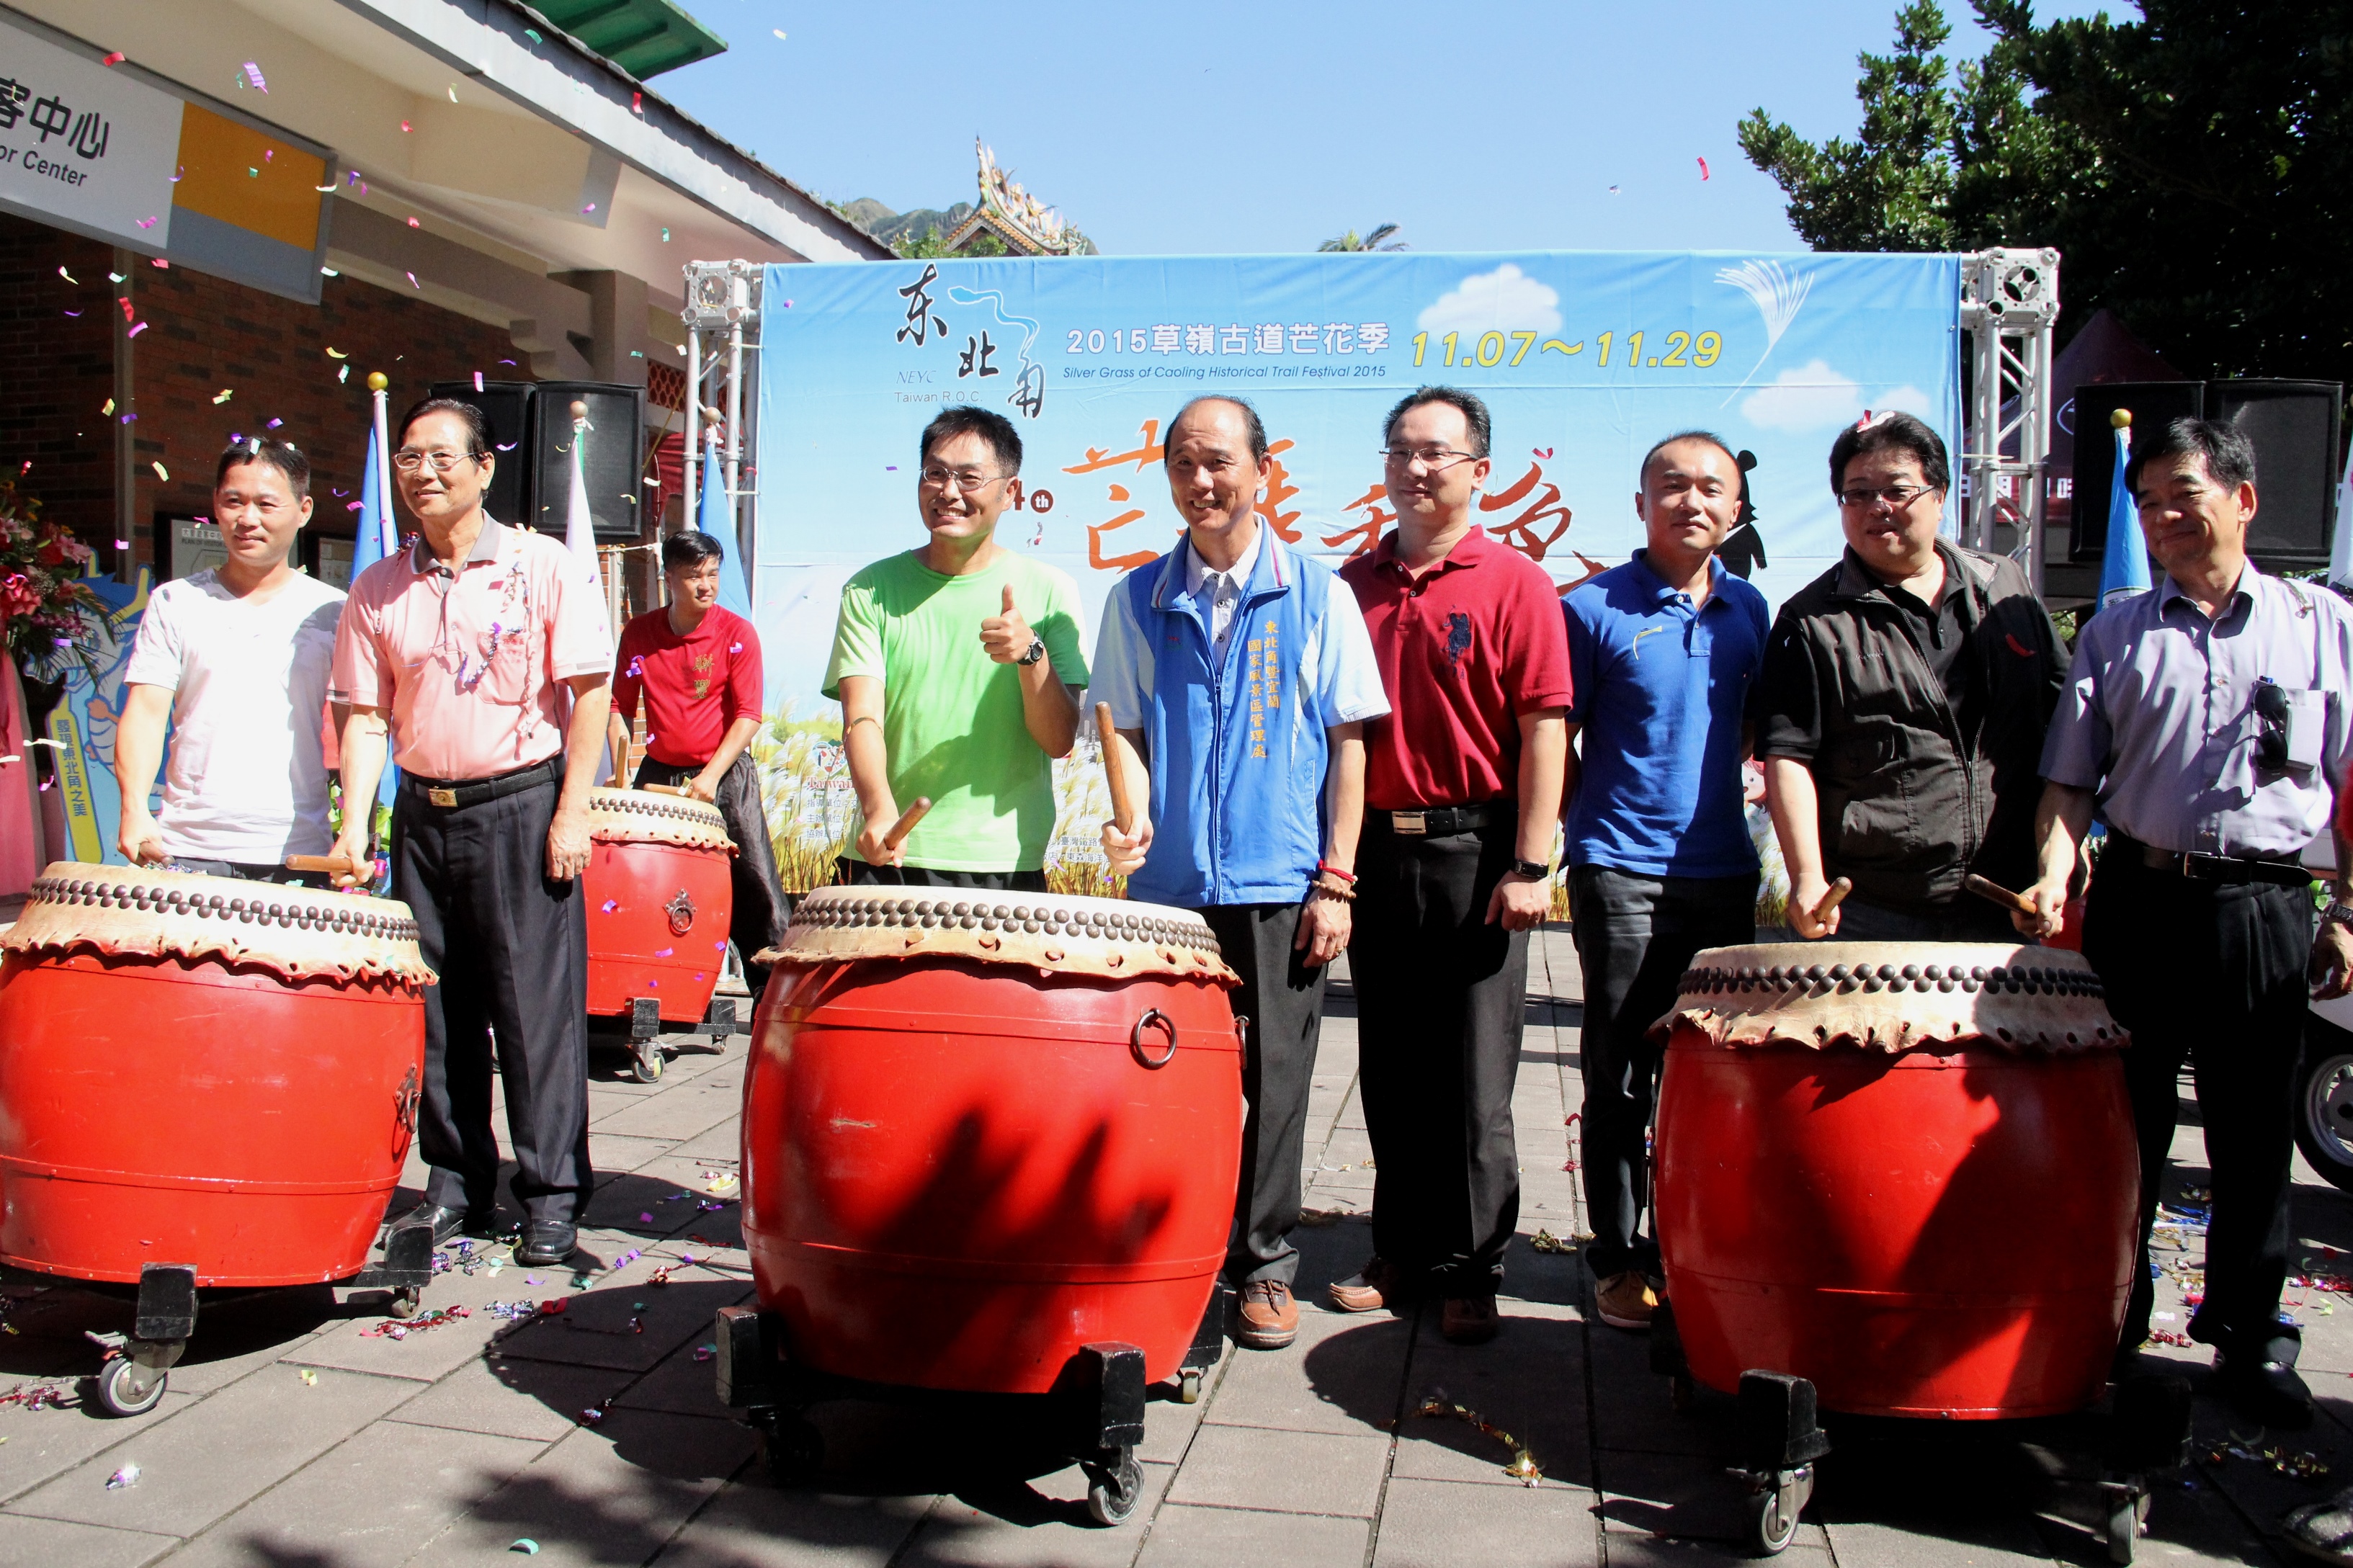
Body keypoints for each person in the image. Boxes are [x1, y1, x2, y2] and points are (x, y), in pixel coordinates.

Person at [2022, 416, 2353, 1430]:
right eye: (2145, 502)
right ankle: (2111, 1327)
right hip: (2140, 902)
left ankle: (2249, 1344)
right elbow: (2068, 782)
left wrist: (2344, 911)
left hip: (2263, 906)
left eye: (2181, 495)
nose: (2162, 517)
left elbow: (2348, 784)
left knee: (2254, 1138)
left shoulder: (2320, 626)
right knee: (2122, 1130)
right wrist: (2050, 871)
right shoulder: (2115, 629)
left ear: (2242, 500)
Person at [1095, 394, 1389, 1351]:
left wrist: (1335, 877)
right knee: (1163, 1071)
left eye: (1219, 461)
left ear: (1264, 472)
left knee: (1279, 1076)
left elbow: (1350, 744)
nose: (1201, 481)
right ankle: (1168, 1244)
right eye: (1182, 463)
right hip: (1172, 895)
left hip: (1281, 883)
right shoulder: (1135, 597)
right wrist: (1132, 818)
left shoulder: (1315, 592)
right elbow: (1123, 725)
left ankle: (1263, 1263)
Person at [328, 396, 615, 1266]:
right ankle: (457, 1183)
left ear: (485, 467)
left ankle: (552, 1194)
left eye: (443, 456)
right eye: (409, 457)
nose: (423, 471)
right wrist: (355, 826)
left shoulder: (544, 565)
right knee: (436, 1014)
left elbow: (590, 691)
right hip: (421, 815)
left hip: (521, 806)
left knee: (533, 1015)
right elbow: (367, 715)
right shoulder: (379, 584)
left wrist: (573, 810)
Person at [1322, 387, 1569, 1346]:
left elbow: (1543, 729)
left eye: (1437, 452)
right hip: (1381, 848)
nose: (1416, 468)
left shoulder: (1515, 583)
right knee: (1388, 1063)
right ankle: (1398, 1247)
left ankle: (1473, 1262)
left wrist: (1531, 860)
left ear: (1478, 469)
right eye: (1401, 451)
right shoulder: (1352, 584)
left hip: (1479, 852)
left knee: (1473, 1074)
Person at [1556, 431, 1770, 1332]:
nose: (1691, 501)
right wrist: (1577, 837)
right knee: (1619, 1073)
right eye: (1671, 485)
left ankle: (1693, 1245)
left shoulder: (1753, 610)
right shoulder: (1591, 608)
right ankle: (1614, 1253)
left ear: (1734, 508)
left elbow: (1766, 737)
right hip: (1620, 876)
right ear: (1639, 501)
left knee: (1708, 1075)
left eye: (1710, 488)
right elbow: (1548, 740)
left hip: (1722, 874)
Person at [1755, 411, 2065, 940]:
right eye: (1858, 494)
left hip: (2009, 901)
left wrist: (2053, 870)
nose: (1878, 507)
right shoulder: (1811, 619)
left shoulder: (2006, 588)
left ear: (1940, 494)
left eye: (1898, 490)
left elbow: (2063, 733)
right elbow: (1789, 756)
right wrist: (1808, 878)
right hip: (1875, 909)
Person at [823, 406, 1087, 889]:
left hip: (1003, 863)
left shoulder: (1051, 591)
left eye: (969, 478)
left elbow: (1059, 739)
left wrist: (1031, 653)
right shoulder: (869, 591)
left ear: (1011, 493)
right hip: (890, 855)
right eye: (936, 473)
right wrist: (879, 808)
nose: (948, 492)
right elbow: (862, 717)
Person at [116, 439, 344, 887]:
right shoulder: (175, 603)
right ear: (215, 508)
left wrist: (355, 826)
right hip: (187, 850)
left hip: (299, 852)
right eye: (234, 502)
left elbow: (355, 724)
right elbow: (145, 713)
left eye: (266, 504)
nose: (248, 520)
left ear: (304, 510)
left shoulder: (334, 612)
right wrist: (133, 809)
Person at [607, 530, 787, 989]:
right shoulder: (640, 633)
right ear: (669, 577)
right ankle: (653, 992)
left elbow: (748, 716)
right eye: (693, 577)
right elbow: (618, 709)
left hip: (724, 777)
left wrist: (709, 778)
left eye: (712, 575)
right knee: (653, 884)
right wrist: (621, 769)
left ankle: (774, 998)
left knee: (755, 889)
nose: (706, 586)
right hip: (658, 776)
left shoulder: (736, 633)